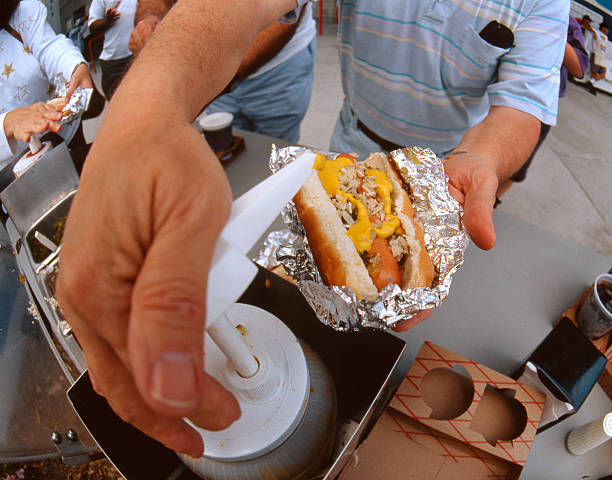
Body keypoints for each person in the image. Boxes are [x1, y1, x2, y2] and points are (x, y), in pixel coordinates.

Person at [56, 0, 567, 458]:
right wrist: (140, 116)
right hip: (354, 137)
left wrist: (479, 157)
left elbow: (523, 102)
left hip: (454, 171)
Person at [129, 0, 316, 142]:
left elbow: (281, 22)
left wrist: (200, 90)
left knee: (275, 156)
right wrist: (150, 18)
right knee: (226, 149)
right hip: (210, 69)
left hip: (277, 72)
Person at [1, 0, 94, 170]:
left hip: (63, 134)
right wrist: (7, 123)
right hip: (15, 170)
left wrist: (74, 66)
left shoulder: (22, 12)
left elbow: (50, 47)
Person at [504, 15, 589, 188]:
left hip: (540, 103)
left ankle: (490, 202)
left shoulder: (568, 23)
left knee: (519, 165)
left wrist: (553, 32)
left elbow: (580, 68)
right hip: (502, 91)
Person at [88, 0, 137, 100]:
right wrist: (107, 21)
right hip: (113, 62)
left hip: (138, 56)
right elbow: (92, 26)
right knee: (115, 102)